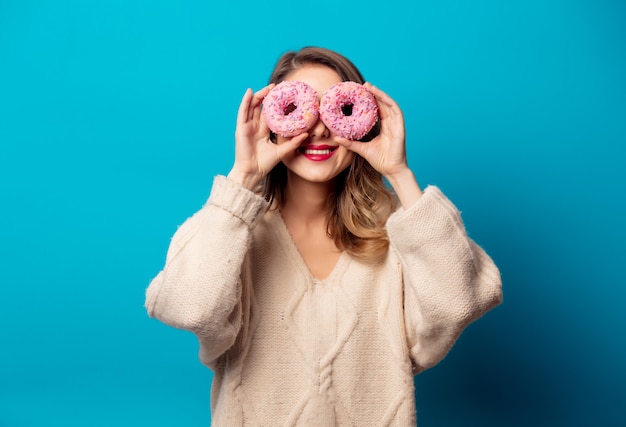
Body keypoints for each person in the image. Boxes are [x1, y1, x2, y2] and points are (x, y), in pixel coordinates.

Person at [145, 46, 502, 426]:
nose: (318, 129)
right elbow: (189, 308)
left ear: (368, 120)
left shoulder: (405, 229)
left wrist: (399, 172)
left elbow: (460, 302)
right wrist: (243, 177)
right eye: (301, 111)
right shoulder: (229, 229)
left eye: (336, 109)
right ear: (269, 121)